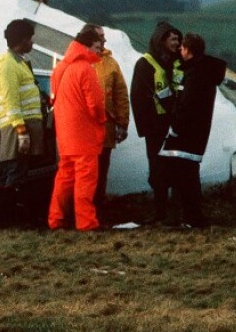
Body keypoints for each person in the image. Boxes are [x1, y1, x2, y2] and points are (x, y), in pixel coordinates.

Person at [159, 33, 227, 228]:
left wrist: (175, 128)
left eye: (182, 47)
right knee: (188, 174)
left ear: (188, 50)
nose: (179, 50)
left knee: (185, 176)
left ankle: (192, 217)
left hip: (187, 134)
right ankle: (191, 216)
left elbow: (187, 104)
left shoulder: (196, 75)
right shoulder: (204, 71)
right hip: (196, 133)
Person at [47, 28, 107, 231]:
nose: (99, 51)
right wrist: (102, 121)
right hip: (84, 134)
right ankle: (86, 222)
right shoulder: (85, 68)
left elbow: (53, 98)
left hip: (64, 133)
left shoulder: (60, 68)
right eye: (97, 47)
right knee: (85, 179)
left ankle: (56, 219)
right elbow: (95, 104)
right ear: (86, 46)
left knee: (64, 177)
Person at [130, 21, 183, 224]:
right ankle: (160, 211)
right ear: (161, 41)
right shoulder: (145, 64)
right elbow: (137, 97)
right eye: (173, 39)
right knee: (158, 169)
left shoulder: (179, 63)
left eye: (178, 39)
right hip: (156, 125)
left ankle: (177, 211)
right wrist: (145, 128)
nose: (177, 43)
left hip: (177, 124)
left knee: (178, 167)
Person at [0, 20, 46, 187]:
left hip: (23, 125)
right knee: (15, 173)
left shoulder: (19, 62)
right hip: (16, 127)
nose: (32, 42)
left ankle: (12, 201)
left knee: (19, 172)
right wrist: (21, 132)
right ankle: (11, 202)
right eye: (30, 38)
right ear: (23, 39)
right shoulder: (7, 63)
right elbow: (11, 100)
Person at [85, 24, 130, 212]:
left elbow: (121, 95)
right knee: (85, 171)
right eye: (100, 37)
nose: (104, 40)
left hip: (106, 128)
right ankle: (82, 208)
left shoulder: (111, 63)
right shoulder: (77, 61)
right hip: (84, 129)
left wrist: (123, 123)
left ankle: (98, 206)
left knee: (102, 168)